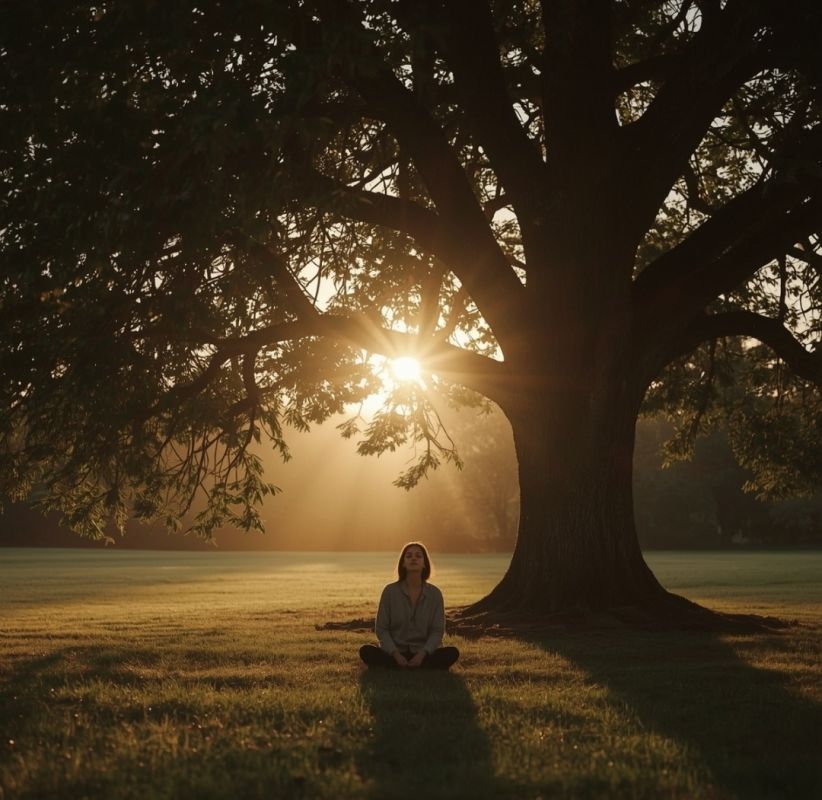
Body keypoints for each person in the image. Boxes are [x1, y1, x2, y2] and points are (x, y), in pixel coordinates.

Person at [359, 541, 460, 670]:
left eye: (418, 556)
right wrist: (395, 654)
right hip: (395, 652)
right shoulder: (390, 591)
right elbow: (382, 629)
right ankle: (406, 665)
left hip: (423, 653)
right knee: (366, 651)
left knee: (452, 653)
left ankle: (409, 665)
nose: (413, 558)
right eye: (409, 556)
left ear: (425, 564)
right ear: (403, 563)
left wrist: (422, 654)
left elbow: (437, 631)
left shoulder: (435, 594)